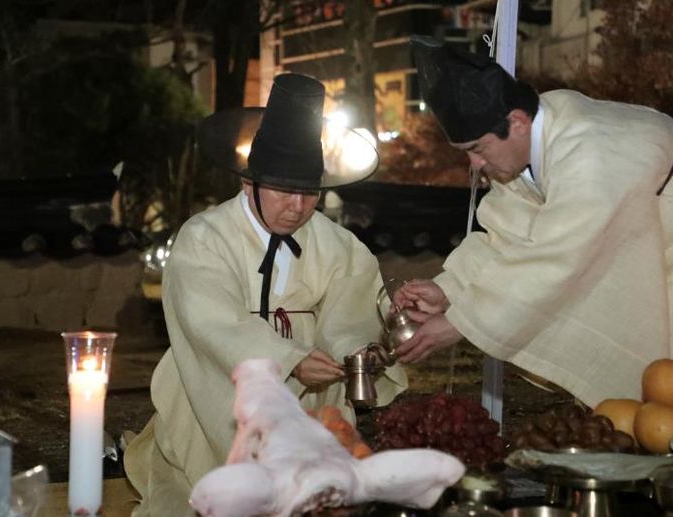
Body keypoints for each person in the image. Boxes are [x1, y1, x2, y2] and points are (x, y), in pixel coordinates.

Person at [124, 73, 407, 516]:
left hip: (314, 404)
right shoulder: (205, 238)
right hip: (214, 402)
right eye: (284, 191)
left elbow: (352, 311)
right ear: (248, 182)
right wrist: (289, 359)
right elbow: (213, 323)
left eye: (309, 193)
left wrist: (354, 351)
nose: (298, 206)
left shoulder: (338, 245)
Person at [392, 35, 673, 409]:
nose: (475, 165)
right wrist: (450, 291)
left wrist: (463, 322)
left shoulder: (589, 151)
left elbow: (555, 256)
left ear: (518, 122)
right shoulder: (527, 149)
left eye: (477, 149)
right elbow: (507, 236)